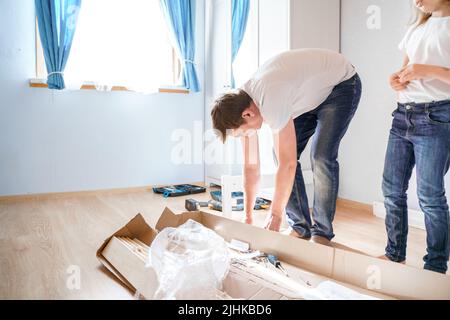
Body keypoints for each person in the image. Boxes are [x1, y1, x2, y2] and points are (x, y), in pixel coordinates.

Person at [211, 48, 361, 245]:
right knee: (279, 153)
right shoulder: (240, 105)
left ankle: (322, 232)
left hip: (341, 85)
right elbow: (251, 166)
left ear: (248, 115)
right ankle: (300, 227)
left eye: (242, 133)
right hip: (309, 94)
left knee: (320, 156)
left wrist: (275, 213)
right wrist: (247, 217)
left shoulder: (270, 99)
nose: (245, 137)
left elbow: (288, 163)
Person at [382, 0, 450, 273]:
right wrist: (395, 80)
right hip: (403, 114)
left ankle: (435, 266)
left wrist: (427, 70)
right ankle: (393, 254)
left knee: (430, 197)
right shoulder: (418, 26)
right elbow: (404, 71)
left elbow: (422, 70)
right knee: (391, 190)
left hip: (437, 117)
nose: (416, 0)